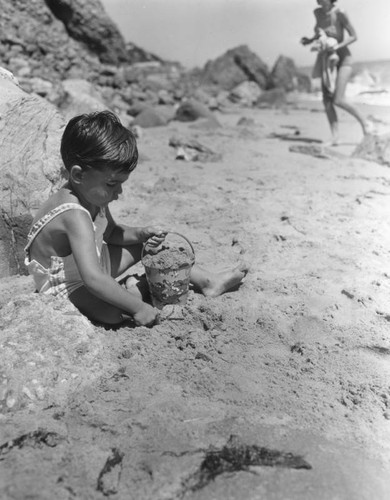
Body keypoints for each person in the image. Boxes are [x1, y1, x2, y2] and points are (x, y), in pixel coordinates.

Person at [24, 111, 248, 327]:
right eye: (112, 184)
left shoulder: (92, 195)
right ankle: (135, 288)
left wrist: (141, 234)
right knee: (114, 313)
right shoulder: (73, 214)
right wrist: (139, 308)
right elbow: (92, 279)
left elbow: (111, 233)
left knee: (150, 249)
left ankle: (208, 282)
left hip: (90, 264)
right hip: (65, 284)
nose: (119, 192)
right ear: (78, 175)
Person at [300, 0, 370, 145]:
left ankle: (366, 124)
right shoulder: (317, 13)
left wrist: (337, 46)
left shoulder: (340, 13)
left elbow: (354, 36)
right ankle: (335, 137)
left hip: (344, 58)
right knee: (327, 100)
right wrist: (309, 40)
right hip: (326, 59)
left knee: (338, 99)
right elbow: (319, 32)